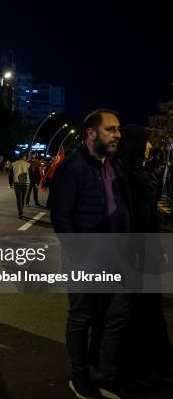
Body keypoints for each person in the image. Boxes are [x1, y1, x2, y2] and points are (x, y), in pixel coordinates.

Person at [51, 109, 132, 399]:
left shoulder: (115, 165)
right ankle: (80, 376)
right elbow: (60, 217)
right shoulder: (72, 168)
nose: (117, 135)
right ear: (91, 133)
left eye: (118, 129)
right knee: (82, 317)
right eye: (111, 129)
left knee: (113, 315)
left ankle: (106, 374)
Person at [118, 124, 173, 387]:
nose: (151, 146)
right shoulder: (124, 173)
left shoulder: (139, 170)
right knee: (139, 311)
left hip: (148, 247)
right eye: (146, 141)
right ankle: (140, 367)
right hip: (135, 251)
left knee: (150, 307)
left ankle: (154, 364)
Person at [9, 154, 31, 218]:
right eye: (25, 157)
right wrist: (34, 182)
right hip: (25, 183)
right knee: (23, 198)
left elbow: (11, 175)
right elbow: (30, 174)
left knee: (18, 198)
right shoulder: (28, 164)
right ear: (24, 157)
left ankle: (20, 212)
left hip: (17, 183)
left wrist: (10, 183)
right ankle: (21, 211)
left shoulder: (14, 164)